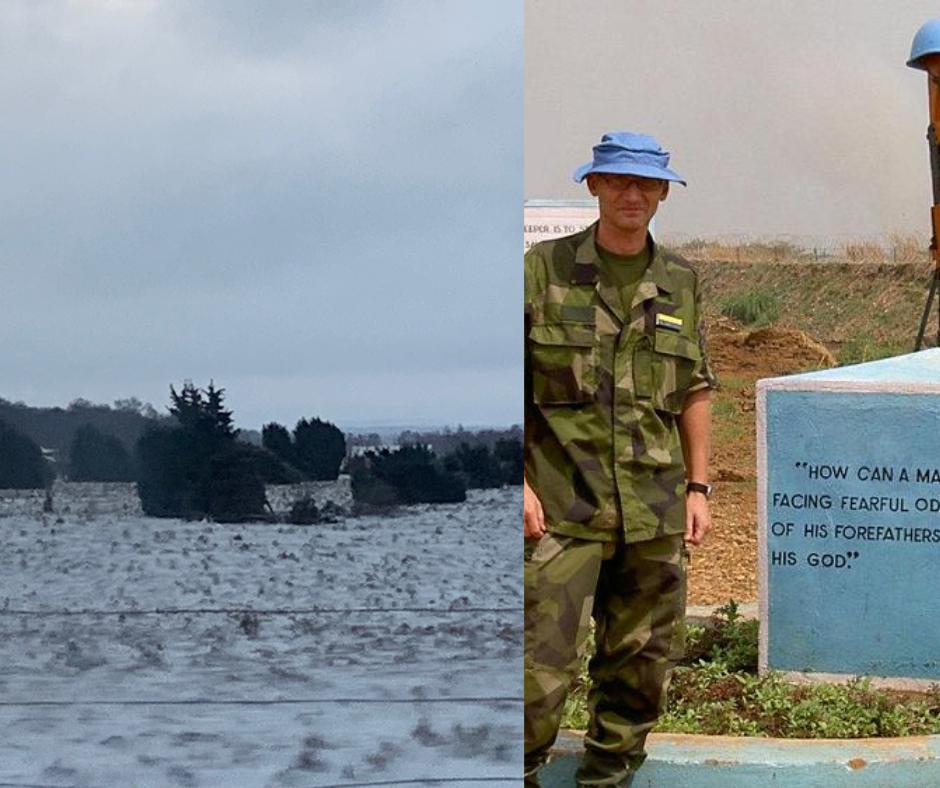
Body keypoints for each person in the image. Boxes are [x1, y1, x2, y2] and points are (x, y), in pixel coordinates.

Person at [524, 131, 717, 787]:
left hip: (655, 510)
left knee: (639, 672)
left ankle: (607, 779)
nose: (632, 194)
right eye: (617, 181)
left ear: (663, 193)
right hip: (559, 510)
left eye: (645, 184)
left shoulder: (680, 282)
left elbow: (694, 385)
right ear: (595, 186)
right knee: (532, 674)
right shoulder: (539, 272)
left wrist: (699, 487)